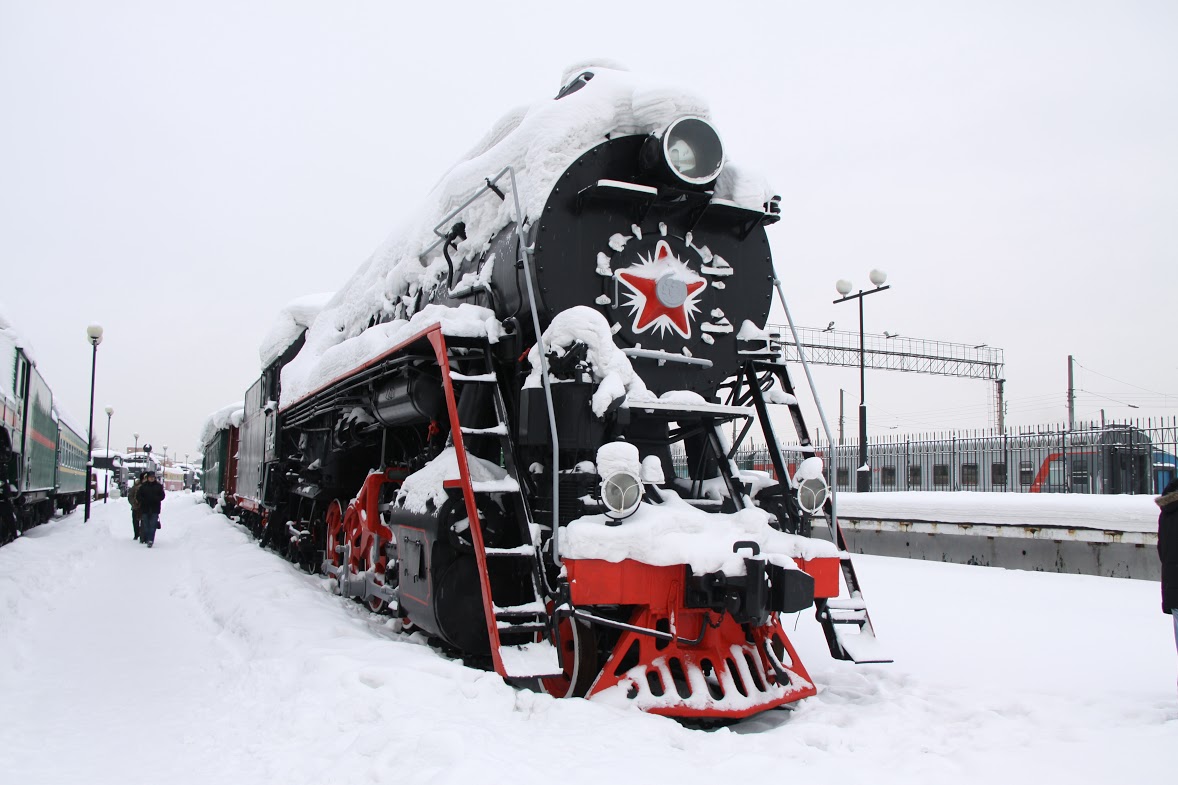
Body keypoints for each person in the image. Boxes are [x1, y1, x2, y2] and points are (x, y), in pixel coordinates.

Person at [137, 471, 166, 548]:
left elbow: (162, 496)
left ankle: (150, 540)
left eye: (153, 477)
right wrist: (143, 500)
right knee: (146, 526)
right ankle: (147, 538)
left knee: (153, 525)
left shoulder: (159, 486)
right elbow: (138, 496)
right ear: (147, 478)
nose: (151, 478)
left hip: (155, 509)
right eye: (150, 477)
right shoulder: (143, 487)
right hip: (145, 508)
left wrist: (156, 499)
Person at [128, 472, 146, 541]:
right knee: (135, 521)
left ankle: (142, 534)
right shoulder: (136, 486)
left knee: (144, 521)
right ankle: (136, 534)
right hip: (136, 507)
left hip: (144, 507)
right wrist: (133, 503)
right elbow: (130, 496)